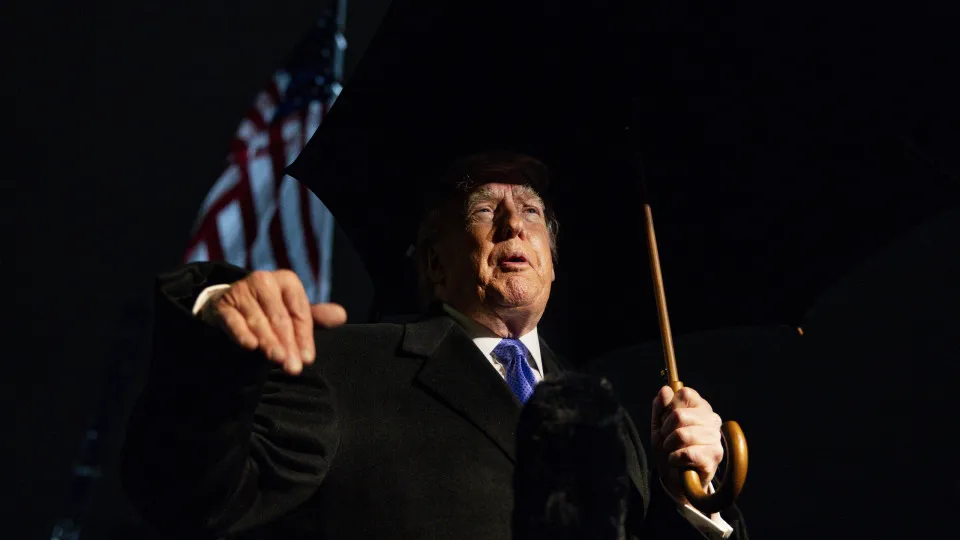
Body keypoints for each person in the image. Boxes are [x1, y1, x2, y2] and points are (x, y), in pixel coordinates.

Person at [121, 153, 748, 540]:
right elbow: (191, 498)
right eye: (484, 210)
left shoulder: (611, 422)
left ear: (553, 263)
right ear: (433, 264)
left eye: (531, 211)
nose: (514, 224)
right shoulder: (344, 365)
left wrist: (693, 500)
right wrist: (219, 346)